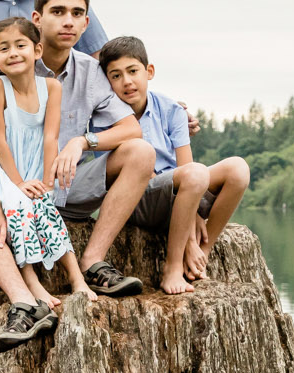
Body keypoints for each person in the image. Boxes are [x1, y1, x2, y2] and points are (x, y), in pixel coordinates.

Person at [0, 0, 153, 300]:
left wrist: (81, 141)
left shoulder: (90, 72)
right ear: (37, 18)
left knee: (140, 152)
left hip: (63, 181)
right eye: (58, 12)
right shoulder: (9, 64)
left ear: (87, 23)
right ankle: (26, 298)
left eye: (77, 14)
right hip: (14, 180)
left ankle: (92, 262)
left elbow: (131, 127)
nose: (68, 22)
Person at [0, 17, 93, 345]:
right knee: (20, 206)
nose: (13, 53)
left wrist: (47, 180)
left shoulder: (51, 87)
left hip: (34, 164)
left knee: (45, 206)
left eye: (21, 45)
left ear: (37, 50)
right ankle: (32, 283)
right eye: (3, 49)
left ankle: (77, 278)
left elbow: (51, 137)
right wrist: (19, 183)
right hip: (2, 167)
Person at [98, 35, 251, 294]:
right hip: (139, 200)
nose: (127, 81)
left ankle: (201, 254)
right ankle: (173, 267)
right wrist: (190, 233)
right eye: (116, 75)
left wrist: (194, 232)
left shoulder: (171, 110)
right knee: (193, 175)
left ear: (149, 71)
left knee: (238, 168)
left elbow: (187, 168)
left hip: (180, 191)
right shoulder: (105, 113)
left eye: (133, 71)